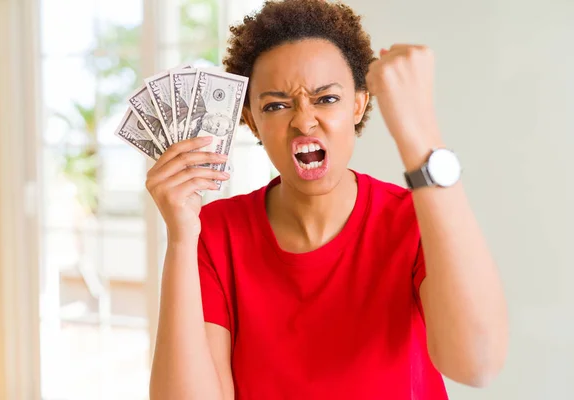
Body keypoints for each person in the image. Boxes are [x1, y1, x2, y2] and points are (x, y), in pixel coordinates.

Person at [147, 1, 509, 399]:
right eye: (276, 105)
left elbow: (476, 365)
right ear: (251, 121)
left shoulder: (415, 219)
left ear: (359, 103)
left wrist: (420, 138)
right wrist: (181, 238)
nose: (303, 120)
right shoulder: (214, 234)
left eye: (327, 98)